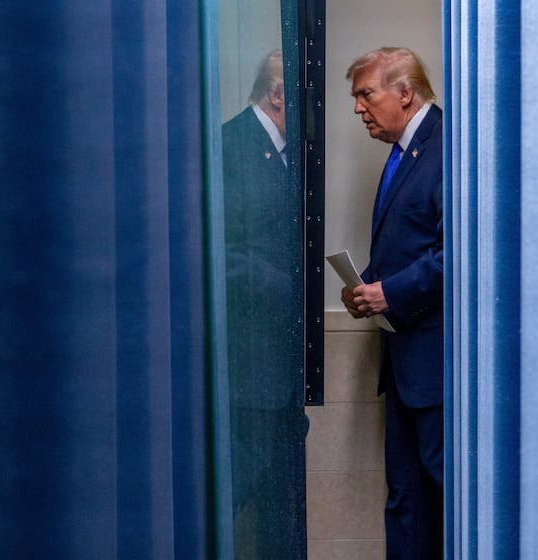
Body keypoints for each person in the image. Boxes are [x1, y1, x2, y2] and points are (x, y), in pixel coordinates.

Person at [342, 47, 444, 559]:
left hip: (435, 363)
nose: (358, 108)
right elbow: (413, 244)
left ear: (404, 93)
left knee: (443, 491)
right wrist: (366, 289)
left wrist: (393, 292)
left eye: (366, 94)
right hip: (403, 360)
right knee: (406, 498)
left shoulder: (447, 146)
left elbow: (461, 253)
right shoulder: (405, 150)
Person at [221, 49, 306, 559]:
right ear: (279, 94)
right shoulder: (231, 146)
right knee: (240, 485)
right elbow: (221, 253)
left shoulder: (281, 151)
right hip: (248, 365)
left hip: (281, 368)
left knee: (282, 499)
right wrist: (290, 286)